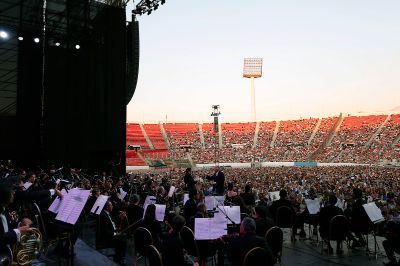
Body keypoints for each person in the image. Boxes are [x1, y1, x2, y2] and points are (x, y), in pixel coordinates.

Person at [0, 184, 33, 261]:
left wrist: (20, 224)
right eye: (11, 192)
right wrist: (18, 231)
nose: (14, 193)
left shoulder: (4, 208)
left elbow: (5, 226)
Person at [98, 201, 127, 265]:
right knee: (122, 240)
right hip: (107, 237)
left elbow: (111, 221)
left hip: (111, 232)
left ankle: (118, 255)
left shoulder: (107, 213)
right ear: (107, 207)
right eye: (111, 205)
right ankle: (121, 257)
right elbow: (105, 230)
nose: (112, 206)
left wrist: (119, 216)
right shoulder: (103, 216)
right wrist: (115, 234)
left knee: (124, 235)